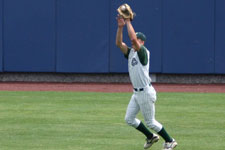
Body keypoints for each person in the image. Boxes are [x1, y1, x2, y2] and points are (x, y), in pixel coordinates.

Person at [115, 15, 178, 150]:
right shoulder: (131, 52)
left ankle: (170, 140)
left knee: (150, 121)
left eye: (137, 39)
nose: (134, 40)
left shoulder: (143, 52)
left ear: (142, 42)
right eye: (135, 38)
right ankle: (150, 137)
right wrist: (120, 27)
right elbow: (119, 44)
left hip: (145, 92)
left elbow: (132, 38)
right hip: (136, 93)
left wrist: (127, 21)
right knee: (129, 119)